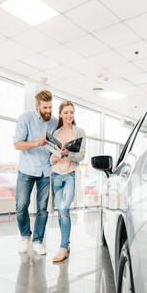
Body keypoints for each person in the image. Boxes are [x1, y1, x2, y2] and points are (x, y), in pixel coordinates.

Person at [13, 90, 57, 255]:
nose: (48, 111)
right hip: (26, 170)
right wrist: (34, 143)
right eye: (45, 107)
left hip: (45, 170)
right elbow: (17, 144)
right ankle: (25, 236)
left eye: (50, 107)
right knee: (21, 205)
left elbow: (56, 144)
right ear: (37, 106)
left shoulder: (54, 122)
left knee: (42, 209)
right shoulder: (25, 118)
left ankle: (38, 240)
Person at [51, 101, 86, 263]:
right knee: (61, 212)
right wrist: (54, 157)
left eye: (71, 112)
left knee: (64, 209)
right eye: (66, 112)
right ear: (60, 114)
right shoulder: (55, 132)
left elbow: (81, 156)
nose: (69, 115)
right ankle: (66, 244)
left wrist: (67, 154)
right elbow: (50, 157)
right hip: (56, 175)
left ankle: (63, 247)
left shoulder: (79, 132)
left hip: (70, 175)